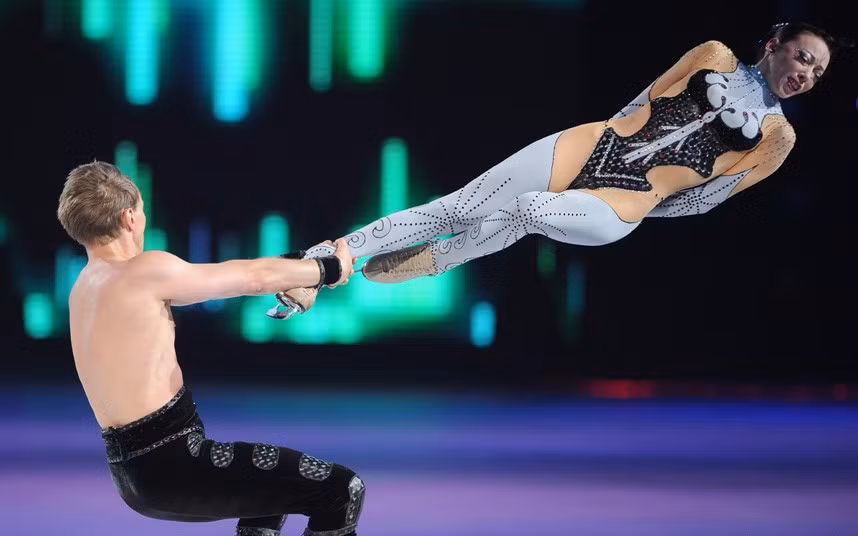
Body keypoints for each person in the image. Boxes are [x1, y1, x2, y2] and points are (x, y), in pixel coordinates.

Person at [286, 22, 843, 295]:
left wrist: (639, 204)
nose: (806, 74)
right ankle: (325, 259)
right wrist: (605, 139)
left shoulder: (778, 137)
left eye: (817, 72)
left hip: (626, 201)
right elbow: (646, 97)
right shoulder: (714, 54)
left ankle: (440, 259)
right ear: (774, 45)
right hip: (591, 143)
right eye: (803, 57)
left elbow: (702, 201)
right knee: (458, 204)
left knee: (529, 210)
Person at [56, 161, 363, 536]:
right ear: (129, 218)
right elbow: (251, 279)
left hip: (135, 477)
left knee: (271, 498)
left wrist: (297, 266)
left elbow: (233, 275)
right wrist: (329, 268)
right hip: (179, 464)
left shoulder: (83, 289)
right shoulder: (144, 271)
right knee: (341, 490)